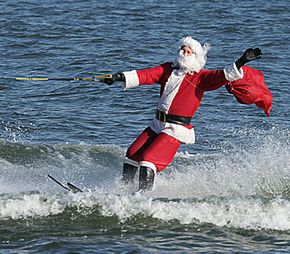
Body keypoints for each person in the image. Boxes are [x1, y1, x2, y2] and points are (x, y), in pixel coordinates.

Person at [103, 36, 262, 191]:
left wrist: (241, 61)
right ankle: (123, 190)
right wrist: (119, 77)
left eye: (188, 52)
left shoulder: (202, 78)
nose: (183, 54)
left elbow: (223, 75)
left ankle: (142, 198)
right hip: (157, 124)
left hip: (175, 129)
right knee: (132, 155)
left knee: (148, 160)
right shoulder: (167, 70)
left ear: (196, 57)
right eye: (182, 50)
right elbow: (146, 75)